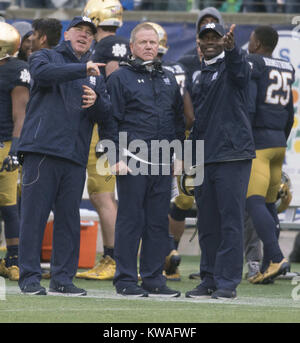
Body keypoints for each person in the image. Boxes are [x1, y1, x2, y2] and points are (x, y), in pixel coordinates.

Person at [17, 16, 111, 296]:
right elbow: (44, 75)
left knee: (68, 220)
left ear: (93, 39)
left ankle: (62, 278)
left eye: (89, 33)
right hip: (42, 150)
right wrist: (82, 68)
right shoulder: (45, 55)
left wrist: (97, 102)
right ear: (67, 34)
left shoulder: (96, 72)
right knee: (34, 217)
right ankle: (30, 277)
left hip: (74, 154)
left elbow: (107, 114)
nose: (84, 36)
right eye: (79, 31)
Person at [103, 22, 185, 297]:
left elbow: (177, 120)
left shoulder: (168, 77)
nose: (149, 46)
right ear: (132, 46)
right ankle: (125, 279)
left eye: (153, 42)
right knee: (130, 220)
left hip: (162, 160)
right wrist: (114, 156)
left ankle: (153, 278)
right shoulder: (119, 78)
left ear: (159, 46)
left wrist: (179, 156)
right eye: (143, 42)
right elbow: (109, 120)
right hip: (131, 159)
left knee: (158, 222)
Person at [185, 22, 255, 299]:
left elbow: (240, 73)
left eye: (217, 37)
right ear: (198, 42)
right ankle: (209, 278)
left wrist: (233, 50)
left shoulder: (234, 66)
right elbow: (197, 120)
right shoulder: (197, 74)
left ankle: (227, 282)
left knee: (230, 221)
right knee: (208, 222)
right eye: (207, 38)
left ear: (224, 40)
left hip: (232, 154)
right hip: (205, 156)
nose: (211, 41)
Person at [76, 0, 130, 281]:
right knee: (105, 196)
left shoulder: (108, 48)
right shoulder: (122, 43)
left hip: (105, 128)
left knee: (101, 195)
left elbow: (112, 89)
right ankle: (120, 256)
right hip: (115, 127)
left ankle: (114, 257)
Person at [245, 25, 294, 284]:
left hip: (260, 144)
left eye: (251, 39)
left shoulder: (255, 61)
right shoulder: (286, 66)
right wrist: (280, 140)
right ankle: (268, 268)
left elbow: (251, 106)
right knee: (267, 204)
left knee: (253, 201)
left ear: (257, 43)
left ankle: (275, 257)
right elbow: (289, 112)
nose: (248, 44)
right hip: (278, 143)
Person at [0, 22, 31, 282]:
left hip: (4, 145)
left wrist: (16, 150)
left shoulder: (17, 69)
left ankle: (14, 258)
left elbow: (20, 114)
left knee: (9, 205)